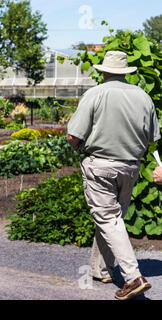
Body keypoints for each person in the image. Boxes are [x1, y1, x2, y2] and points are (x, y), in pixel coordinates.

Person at [67, 50, 160, 300]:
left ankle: (133, 278)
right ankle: (102, 269)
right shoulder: (143, 97)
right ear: (126, 71)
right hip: (131, 167)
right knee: (113, 219)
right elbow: (153, 138)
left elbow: (73, 136)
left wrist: (81, 150)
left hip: (100, 165)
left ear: (104, 70)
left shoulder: (95, 94)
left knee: (108, 218)